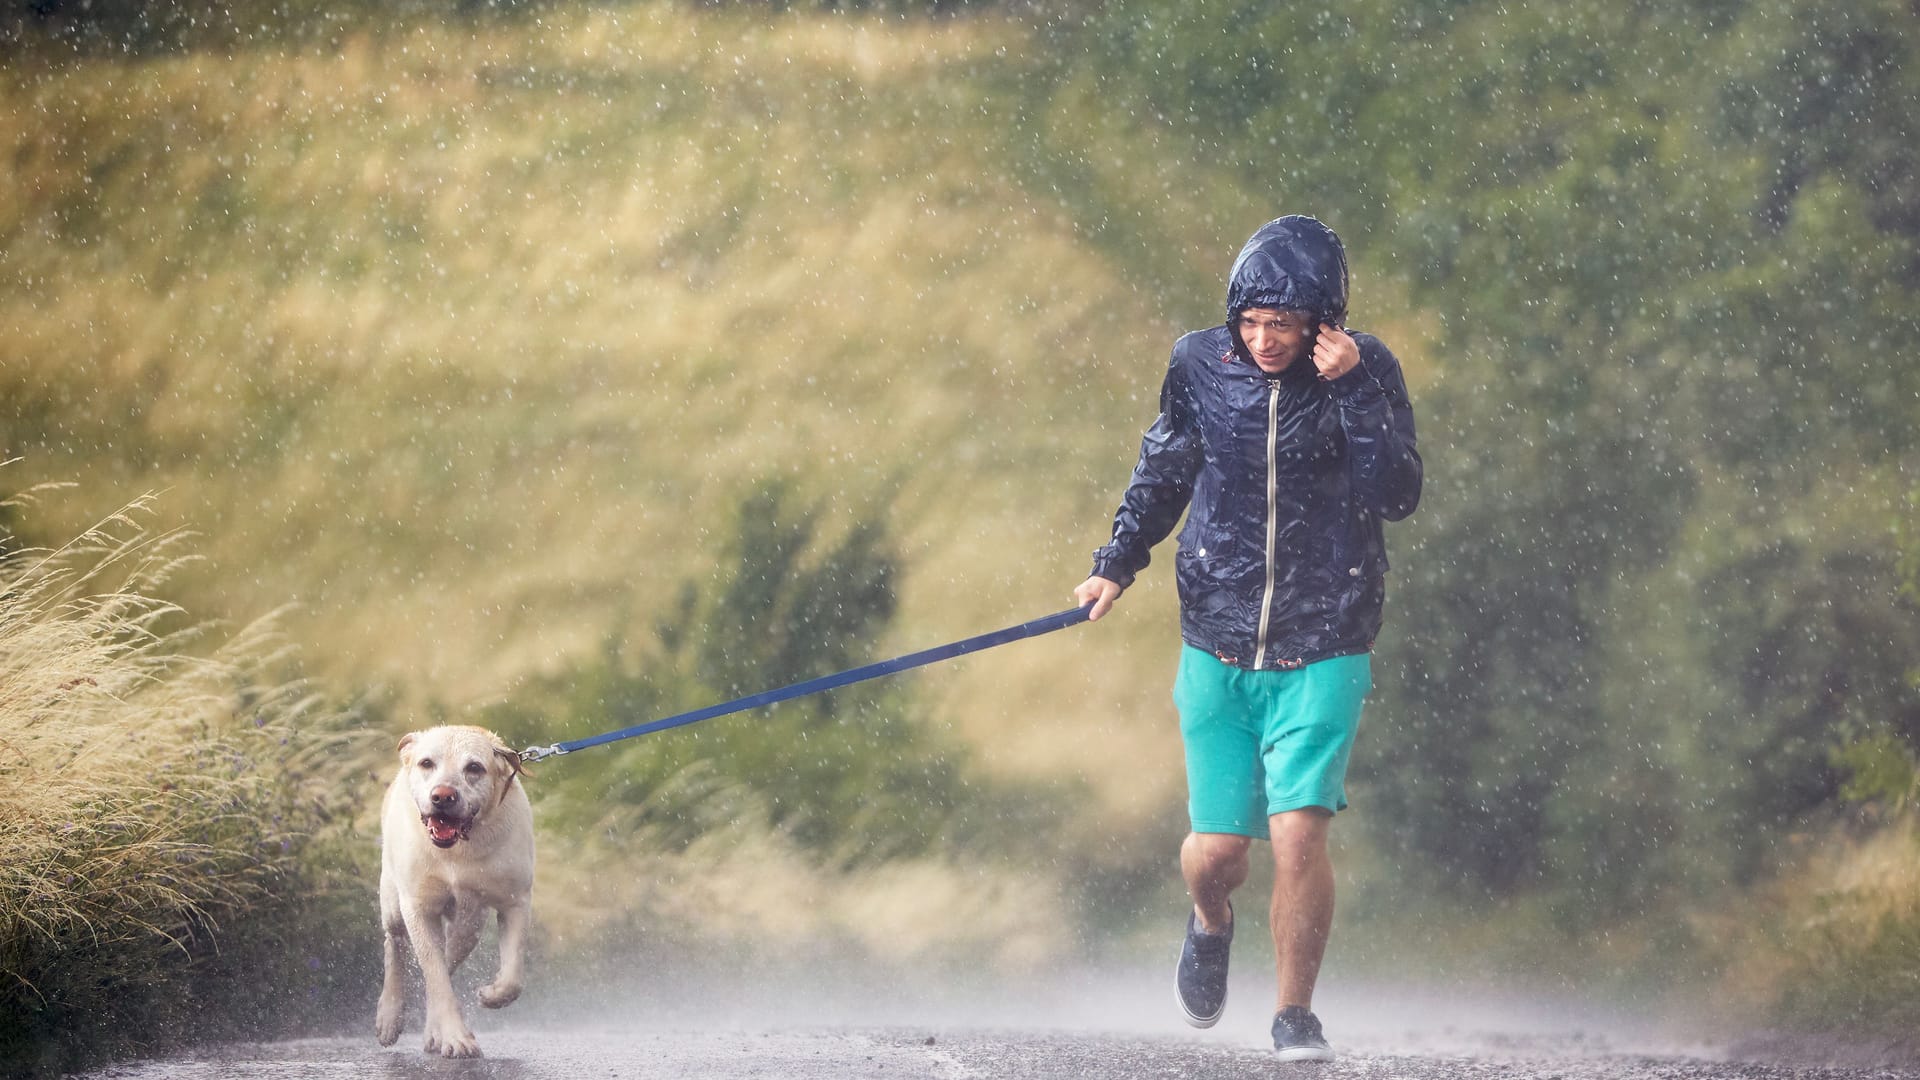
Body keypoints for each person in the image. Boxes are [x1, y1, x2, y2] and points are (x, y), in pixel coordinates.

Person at [1073, 215, 1421, 1061]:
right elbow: (1165, 465)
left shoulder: (1364, 369)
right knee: (1218, 853)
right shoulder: (1200, 363)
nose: (1265, 340)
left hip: (1326, 637)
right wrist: (1116, 563)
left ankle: (1295, 1014)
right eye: (1252, 323)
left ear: (1322, 323)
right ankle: (1209, 919)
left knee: (1300, 832)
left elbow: (1398, 492)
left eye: (1285, 325)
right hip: (1218, 635)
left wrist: (1353, 394)